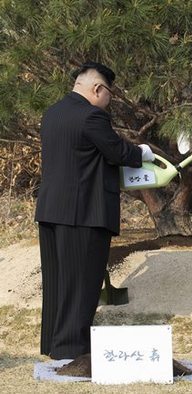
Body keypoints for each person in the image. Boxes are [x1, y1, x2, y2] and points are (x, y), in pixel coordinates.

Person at [35, 61, 154, 360]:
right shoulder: (91, 117)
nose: (108, 101)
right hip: (83, 213)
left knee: (58, 283)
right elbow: (117, 151)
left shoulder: (52, 114)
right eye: (109, 95)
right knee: (81, 284)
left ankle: (53, 344)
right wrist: (141, 152)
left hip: (50, 210)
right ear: (98, 89)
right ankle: (71, 352)